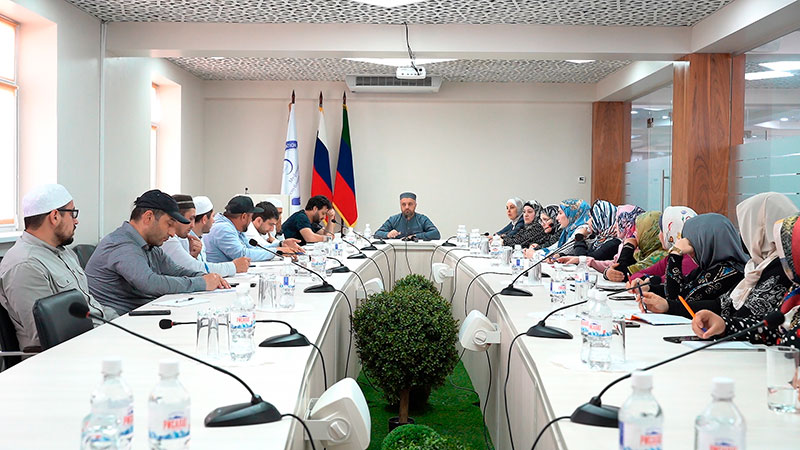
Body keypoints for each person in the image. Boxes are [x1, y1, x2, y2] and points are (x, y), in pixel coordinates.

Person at [0, 184, 116, 350]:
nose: (76, 221)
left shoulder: (64, 252)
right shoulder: (25, 265)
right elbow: (47, 335)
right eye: (72, 213)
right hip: (71, 353)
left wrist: (122, 323)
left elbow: (92, 306)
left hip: (99, 337)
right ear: (54, 217)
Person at [86, 190, 229, 315]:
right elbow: (150, 283)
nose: (172, 233)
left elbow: (176, 271)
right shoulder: (121, 244)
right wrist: (202, 283)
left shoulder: (149, 246)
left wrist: (208, 277)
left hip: (141, 314)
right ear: (148, 217)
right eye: (169, 224)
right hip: (118, 323)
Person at [691, 193, 800, 341]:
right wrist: (724, 326)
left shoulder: (782, 270)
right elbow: (773, 330)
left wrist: (676, 256)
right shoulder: (757, 267)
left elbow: (746, 315)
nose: (741, 235)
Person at [635, 213, 748, 317]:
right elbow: (683, 287)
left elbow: (677, 298)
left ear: (704, 242)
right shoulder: (711, 267)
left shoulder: (728, 272)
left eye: (691, 242)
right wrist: (650, 289)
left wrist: (676, 254)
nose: (689, 249)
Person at [161, 195, 249, 277]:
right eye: (190, 219)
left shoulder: (186, 237)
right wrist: (233, 266)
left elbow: (187, 269)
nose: (192, 225)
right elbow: (193, 267)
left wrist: (192, 256)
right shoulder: (169, 239)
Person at [204, 196, 301, 262]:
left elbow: (252, 248)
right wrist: (277, 251)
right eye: (250, 217)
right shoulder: (223, 228)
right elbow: (242, 254)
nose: (251, 221)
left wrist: (280, 245)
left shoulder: (234, 227)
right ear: (244, 216)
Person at [628, 206, 698, 283]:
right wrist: (646, 279)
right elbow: (635, 275)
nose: (659, 235)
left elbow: (667, 283)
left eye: (662, 230)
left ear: (672, 231)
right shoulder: (673, 256)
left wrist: (649, 282)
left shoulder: (690, 259)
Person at [374, 192, 441, 240]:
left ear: (415, 205)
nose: (407, 207)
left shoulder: (422, 219)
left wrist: (415, 236)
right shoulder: (393, 219)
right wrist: (388, 234)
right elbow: (377, 234)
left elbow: (436, 234)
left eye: (410, 204)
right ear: (400, 206)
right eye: (403, 204)